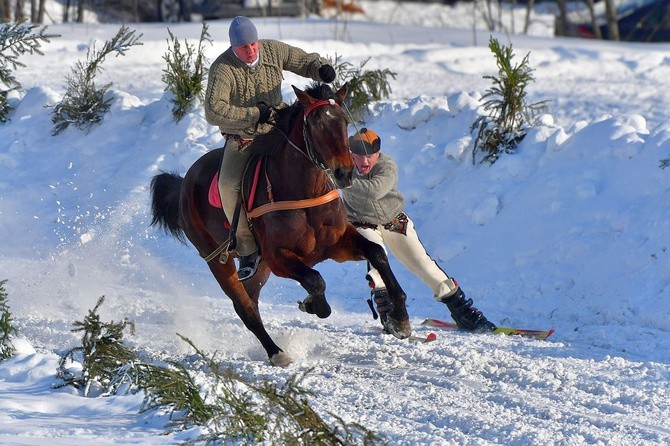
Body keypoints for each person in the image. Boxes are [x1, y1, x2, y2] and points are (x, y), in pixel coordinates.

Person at [204, 16, 337, 281]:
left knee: (317, 154)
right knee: (228, 185)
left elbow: (301, 60)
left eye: (253, 44)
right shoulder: (222, 69)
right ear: (233, 47)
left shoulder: (272, 49)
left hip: (280, 129)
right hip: (245, 139)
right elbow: (213, 110)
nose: (251, 50)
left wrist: (320, 68)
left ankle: (333, 220)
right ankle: (247, 248)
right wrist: (254, 114)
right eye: (244, 47)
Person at [341, 128, 497, 332]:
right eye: (359, 156)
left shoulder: (386, 165)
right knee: (377, 263)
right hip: (361, 223)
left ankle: (462, 311)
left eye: (369, 156)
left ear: (378, 153)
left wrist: (343, 181)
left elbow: (375, 191)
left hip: (393, 220)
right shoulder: (341, 166)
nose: (364, 162)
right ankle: (390, 314)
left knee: (423, 264)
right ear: (350, 154)